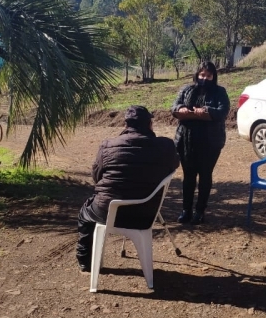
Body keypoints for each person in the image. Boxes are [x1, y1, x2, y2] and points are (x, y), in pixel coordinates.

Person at [76, 105, 179, 272]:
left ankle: (85, 261)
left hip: (108, 212)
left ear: (126, 125)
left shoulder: (107, 145)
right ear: (150, 124)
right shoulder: (166, 145)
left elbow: (96, 177)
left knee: (85, 213)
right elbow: (173, 165)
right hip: (145, 213)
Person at [171, 61, 230, 225]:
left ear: (213, 76)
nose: (205, 78)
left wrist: (206, 110)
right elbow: (173, 107)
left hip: (210, 143)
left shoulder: (220, 92)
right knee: (188, 177)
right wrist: (181, 108)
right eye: (202, 75)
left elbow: (223, 111)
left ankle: (200, 211)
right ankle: (186, 210)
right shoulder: (186, 89)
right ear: (197, 75)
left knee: (205, 176)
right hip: (186, 141)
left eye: (208, 75)